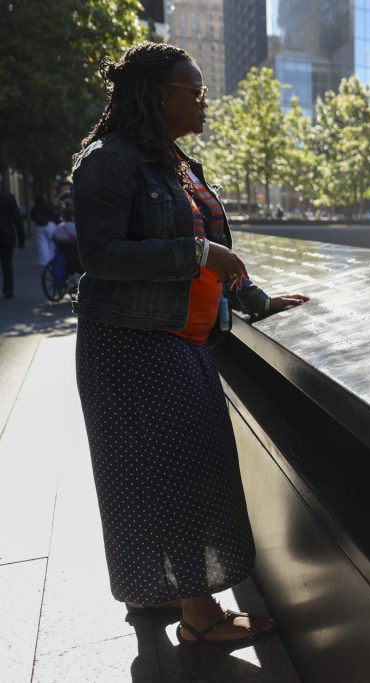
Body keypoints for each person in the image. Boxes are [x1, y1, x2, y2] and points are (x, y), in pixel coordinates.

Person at [71, 42, 310, 647]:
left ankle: (155, 591)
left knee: (163, 474)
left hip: (184, 341)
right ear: (158, 95)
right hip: (133, 345)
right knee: (170, 478)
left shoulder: (176, 162)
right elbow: (101, 256)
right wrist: (197, 254)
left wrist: (256, 300)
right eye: (194, 89)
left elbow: (215, 246)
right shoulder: (110, 160)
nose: (205, 100)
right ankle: (199, 617)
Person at [0, 172, 26, 299]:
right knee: (7, 265)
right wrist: (22, 239)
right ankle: (8, 291)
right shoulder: (8, 197)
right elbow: (17, 219)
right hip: (6, 237)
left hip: (6, 238)